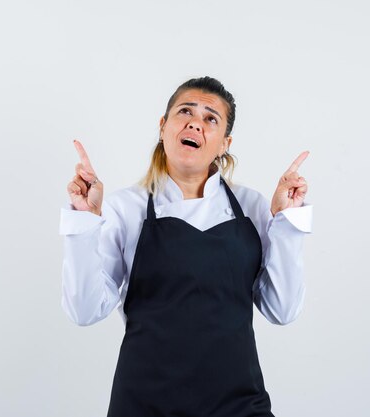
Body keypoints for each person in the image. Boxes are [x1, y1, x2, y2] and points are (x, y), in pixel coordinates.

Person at [59, 76, 313, 417]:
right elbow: (85, 311)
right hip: (144, 404)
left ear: (225, 143)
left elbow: (281, 310)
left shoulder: (252, 206)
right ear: (163, 126)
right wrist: (84, 220)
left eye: (211, 118)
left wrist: (287, 223)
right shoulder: (124, 208)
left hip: (239, 406)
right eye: (185, 111)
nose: (196, 122)